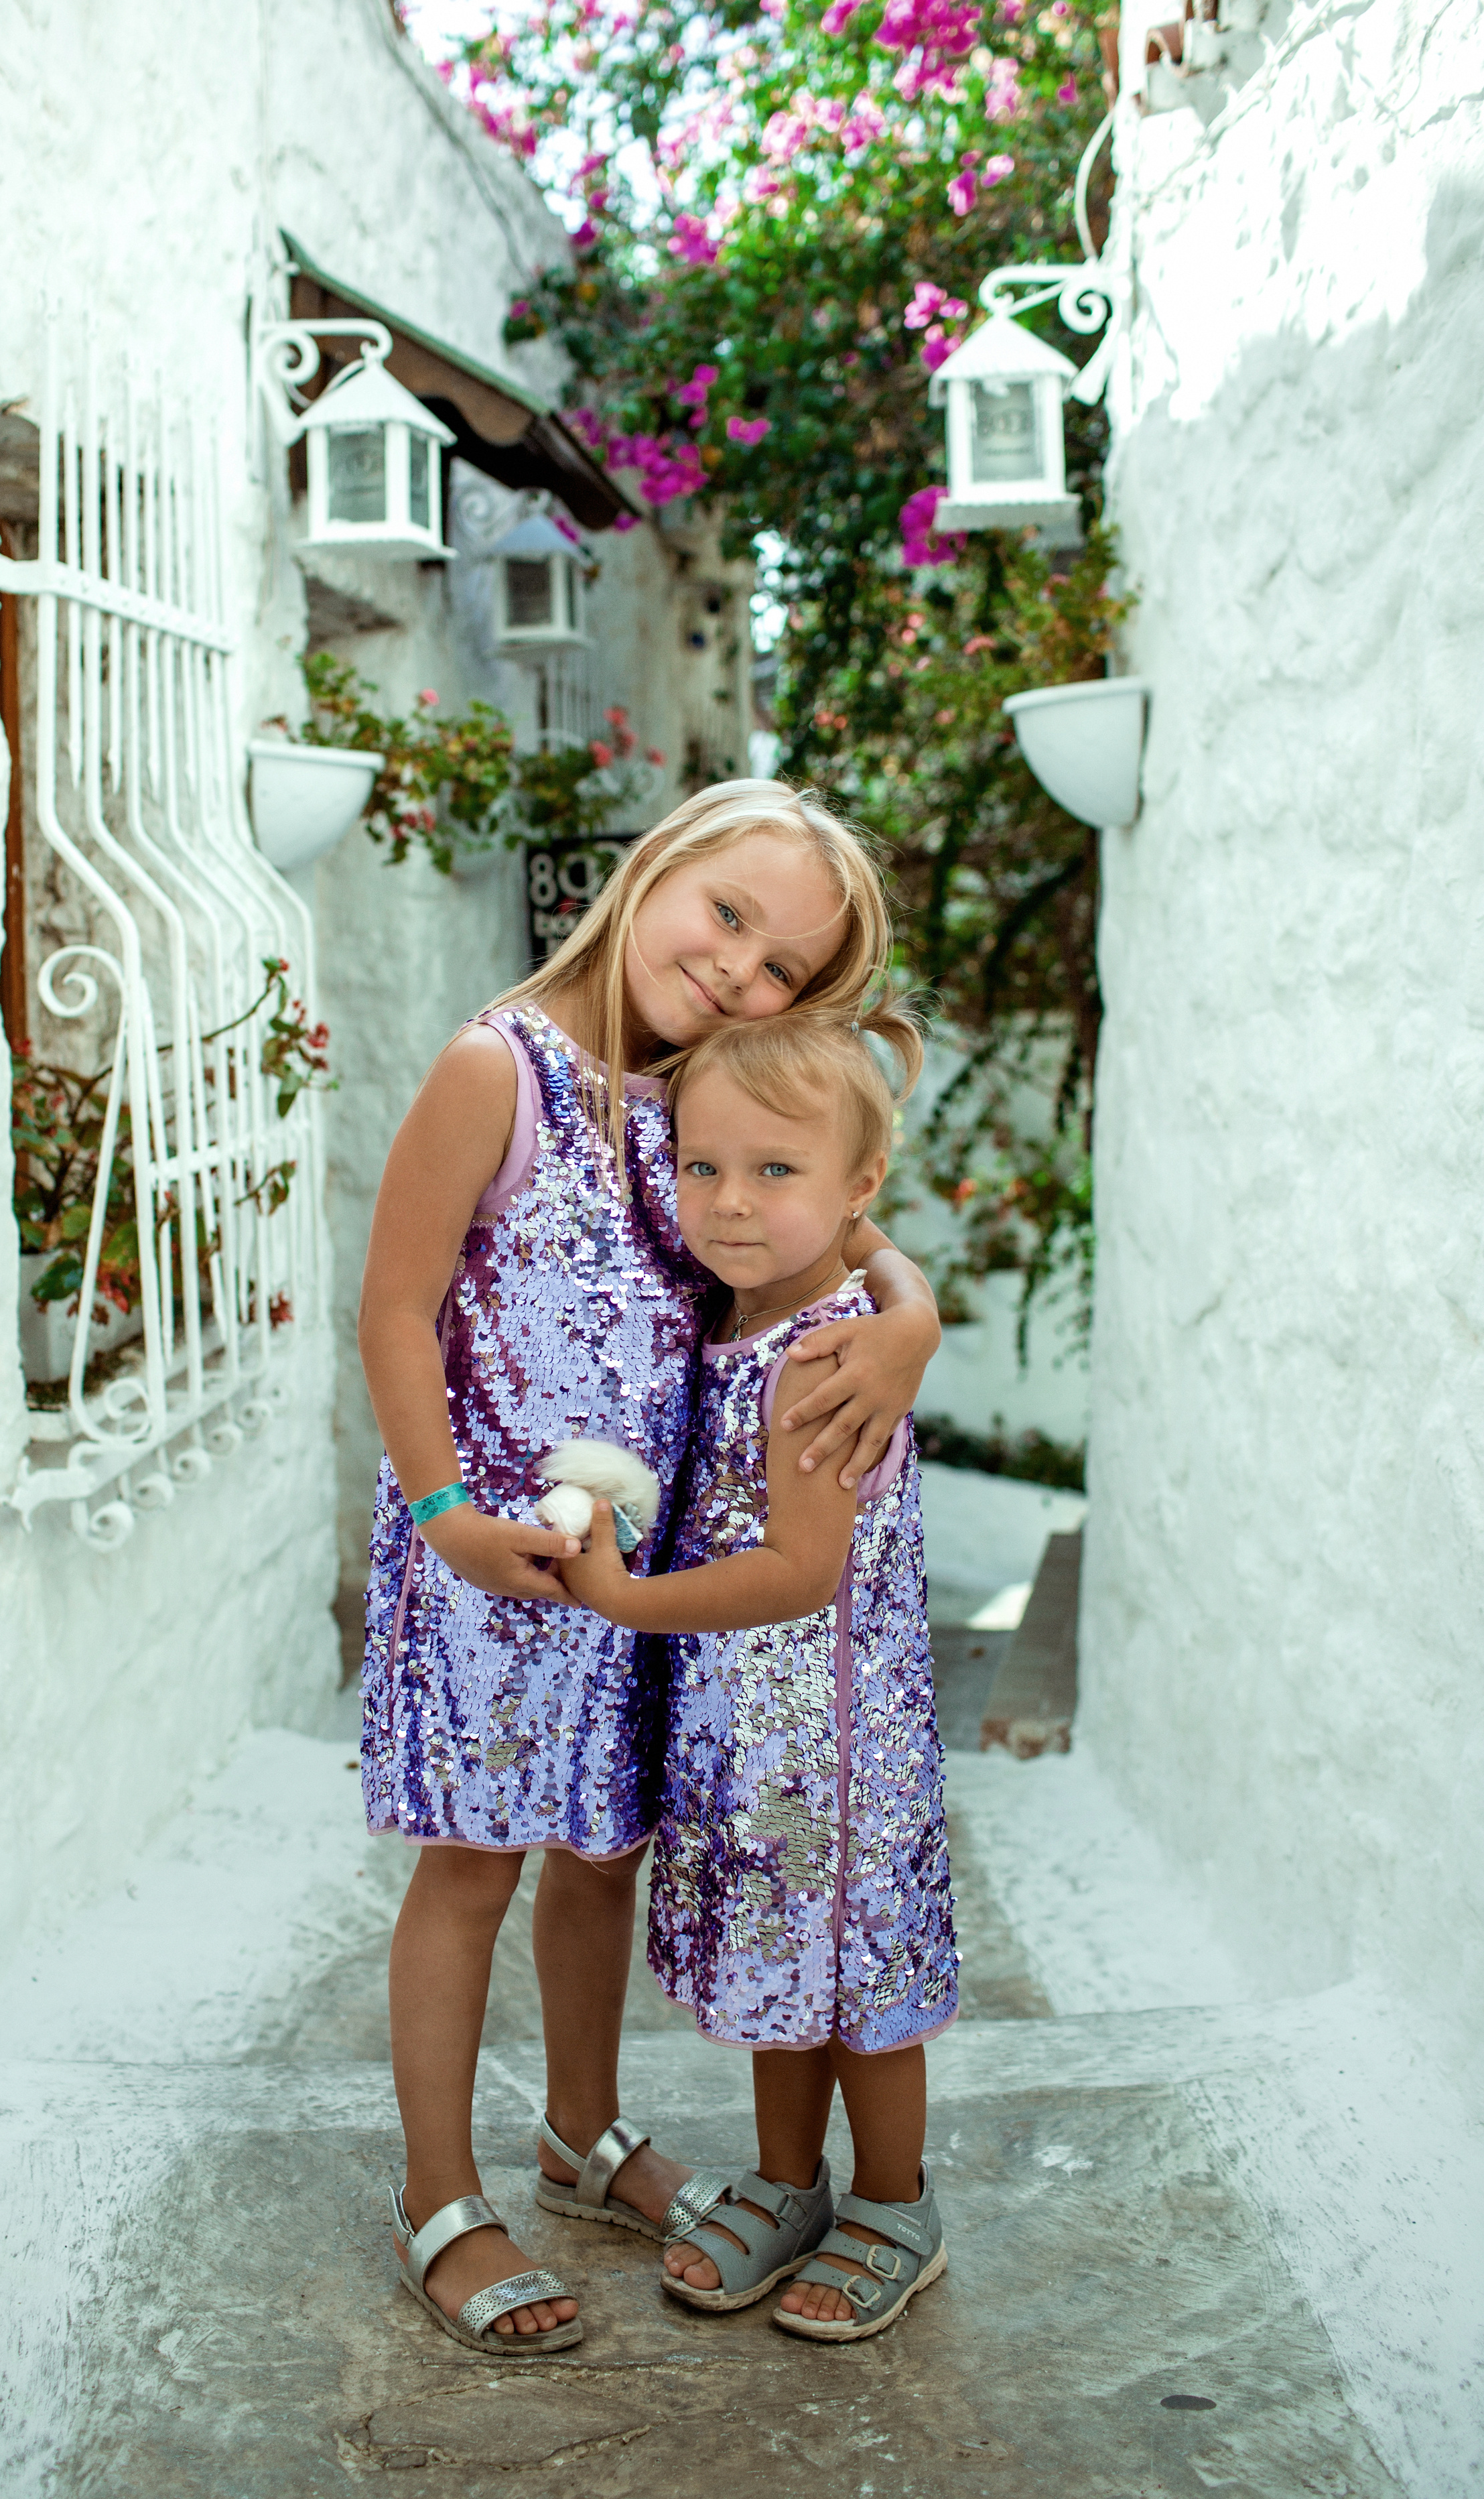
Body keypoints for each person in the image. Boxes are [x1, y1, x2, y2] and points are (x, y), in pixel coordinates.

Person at [355, 779, 941, 2352]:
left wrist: (912, 1313)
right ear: (661, 864)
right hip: (486, 1552)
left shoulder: (705, 1082)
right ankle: (436, 2193)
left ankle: (579, 2134)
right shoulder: (500, 1067)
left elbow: (837, 1201)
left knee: (603, 1856)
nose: (741, 973)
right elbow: (395, 1309)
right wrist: (439, 1518)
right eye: (729, 916)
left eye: (782, 973)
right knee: (473, 1866)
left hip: (641, 1566)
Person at [559, 1003, 957, 2344]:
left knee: (858, 1996)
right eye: (700, 1167)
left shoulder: (820, 1358)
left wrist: (623, 1598)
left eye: (772, 1172)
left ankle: (893, 2203)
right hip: (754, 1739)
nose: (727, 1204)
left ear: (856, 1190)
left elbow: (797, 1572)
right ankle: (789, 2184)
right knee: (784, 1979)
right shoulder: (747, 1305)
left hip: (832, 1750)